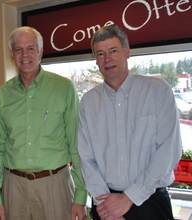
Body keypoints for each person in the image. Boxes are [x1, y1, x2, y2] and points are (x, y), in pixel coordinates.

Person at [77, 24, 182, 220]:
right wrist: (105, 205)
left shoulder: (158, 91)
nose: (107, 58)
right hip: (105, 203)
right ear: (96, 61)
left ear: (127, 52)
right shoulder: (88, 102)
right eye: (100, 54)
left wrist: (128, 198)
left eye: (113, 50)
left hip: (150, 202)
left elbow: (169, 151)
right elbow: (86, 157)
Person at [0, 26, 87, 220]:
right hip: (13, 188)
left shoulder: (64, 88)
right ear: (12, 55)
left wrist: (81, 195)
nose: (25, 55)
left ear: (40, 51)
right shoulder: (2, 94)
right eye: (19, 50)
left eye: (31, 48)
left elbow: (77, 144)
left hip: (55, 186)